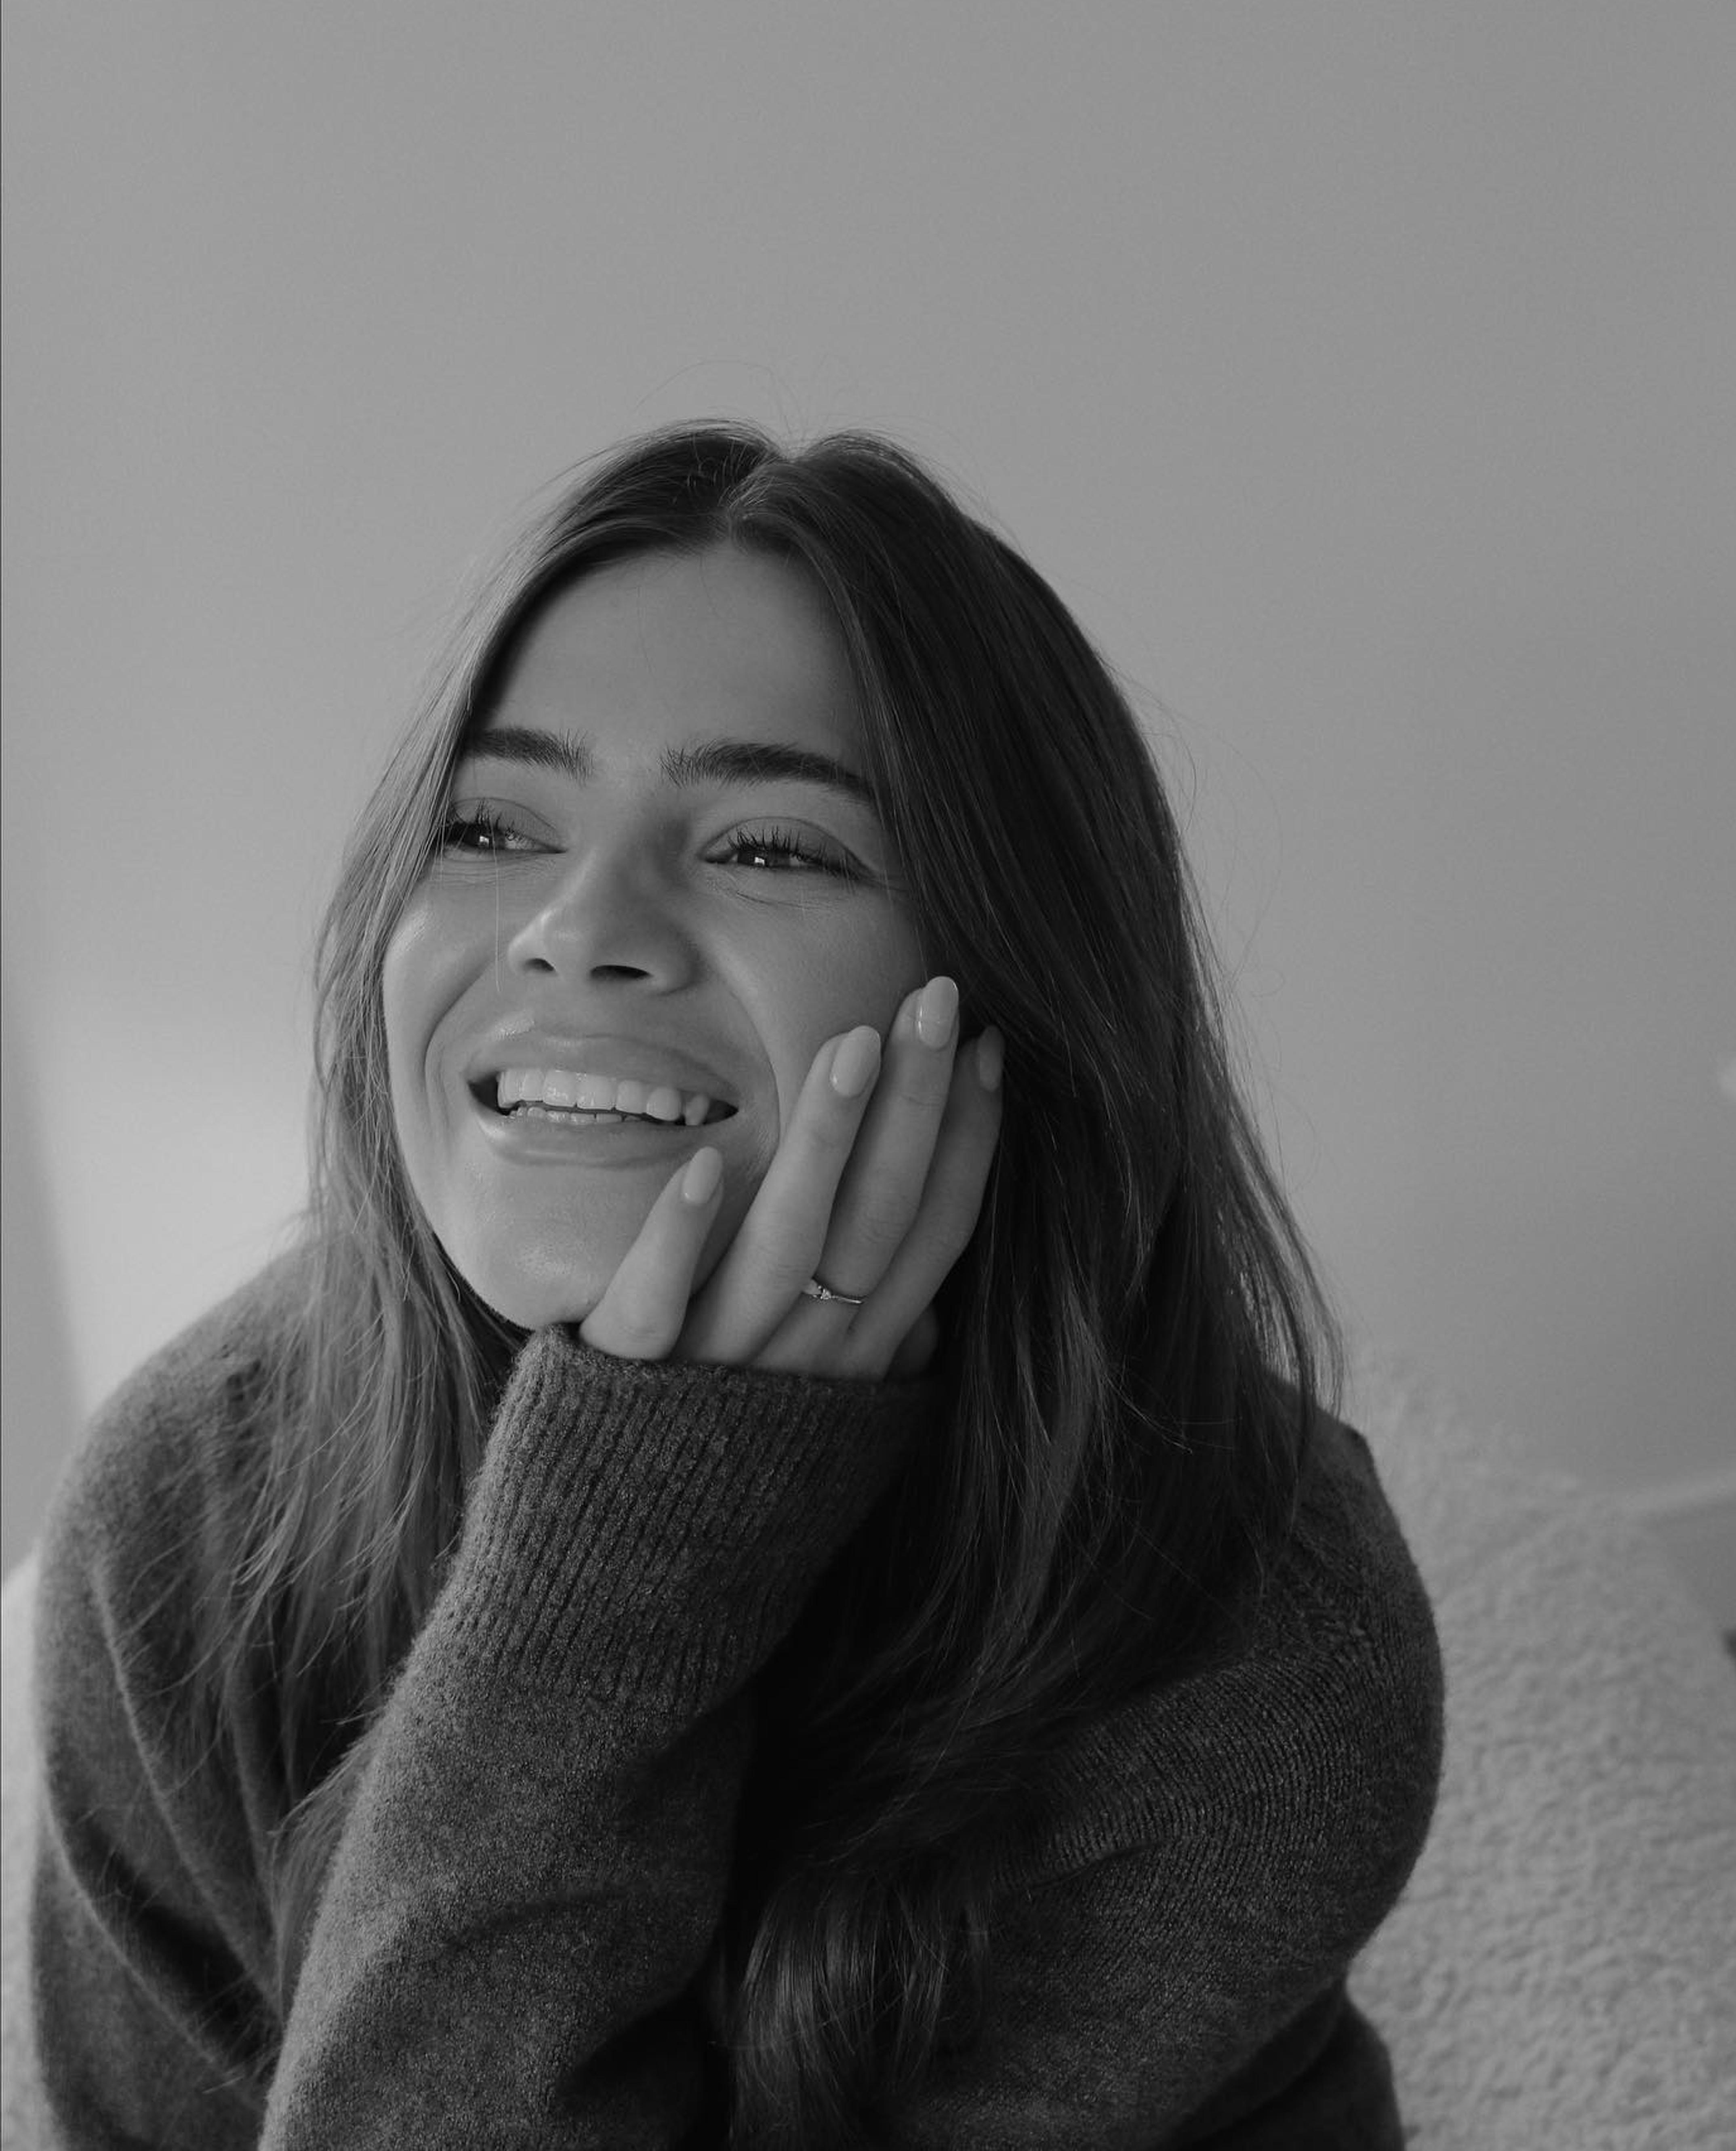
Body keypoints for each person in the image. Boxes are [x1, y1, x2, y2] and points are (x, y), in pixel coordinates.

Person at [21, 423, 1444, 2147]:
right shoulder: (182, 1503)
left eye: (770, 845)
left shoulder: (1261, 1625)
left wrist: (628, 1552)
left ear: (1018, 984)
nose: (575, 926)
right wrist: (630, 1540)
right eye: (489, 823)